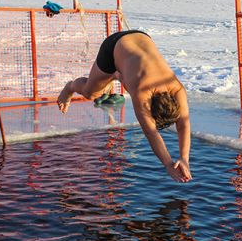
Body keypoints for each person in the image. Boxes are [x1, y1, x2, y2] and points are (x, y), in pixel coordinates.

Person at [57, 30, 192, 183]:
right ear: (149, 107)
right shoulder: (143, 93)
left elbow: (184, 124)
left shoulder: (177, 88)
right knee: (91, 93)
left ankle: (119, 74)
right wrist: (168, 164)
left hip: (141, 37)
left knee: (131, 81)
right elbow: (150, 132)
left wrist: (184, 158)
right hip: (113, 47)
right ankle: (70, 87)